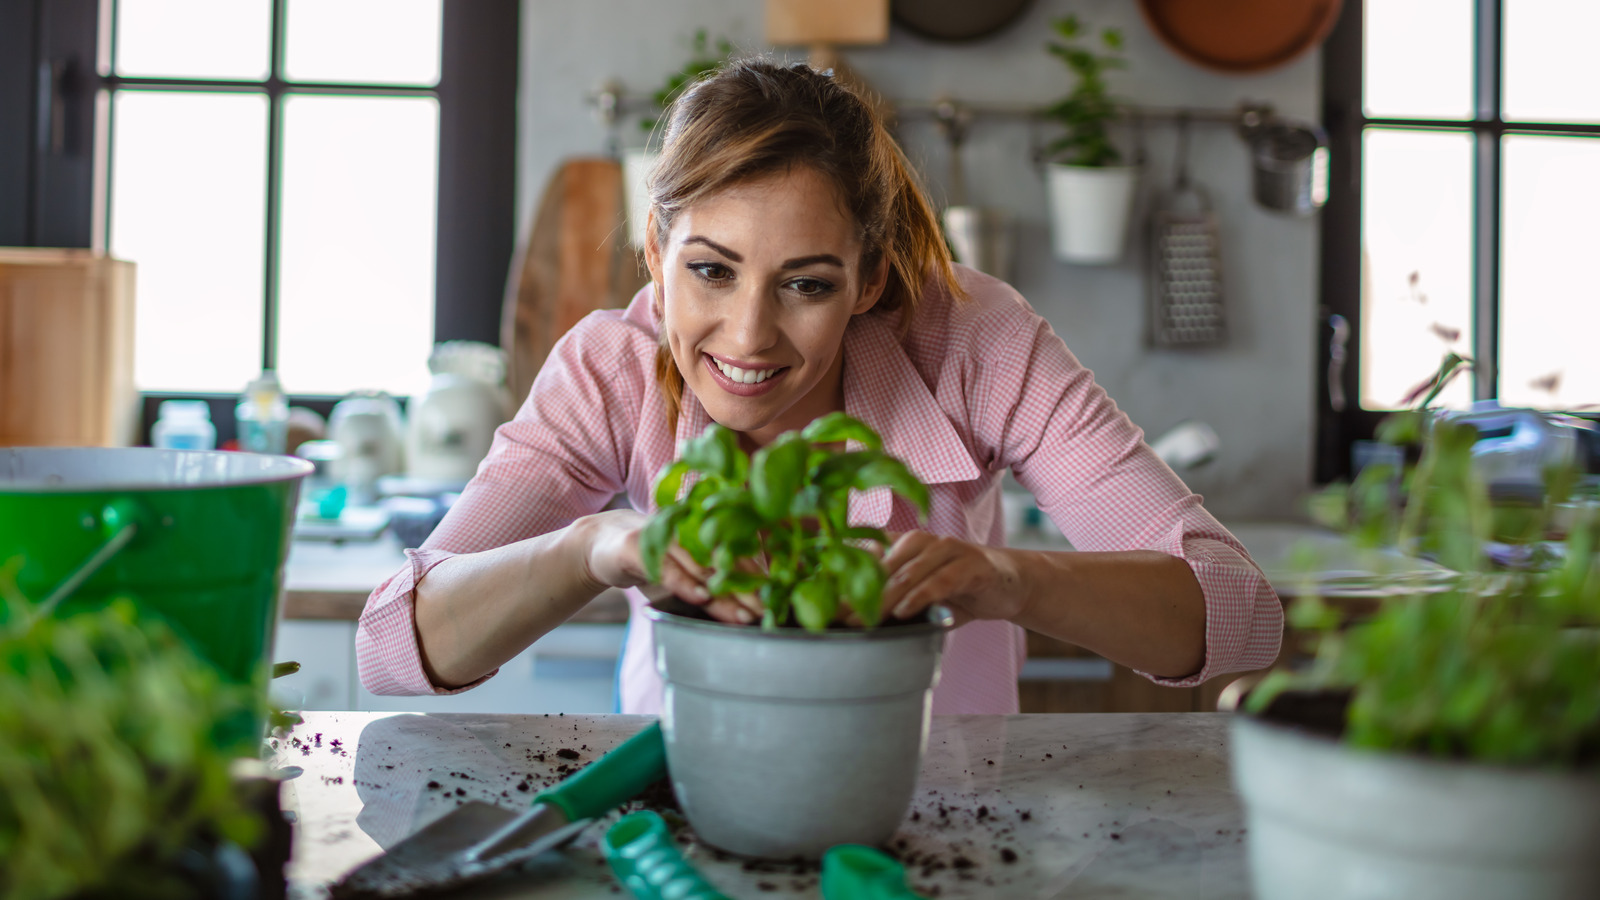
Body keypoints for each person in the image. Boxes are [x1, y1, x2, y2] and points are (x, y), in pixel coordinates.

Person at [357, 60, 1282, 714]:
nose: (748, 335)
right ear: (656, 254)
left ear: (869, 279)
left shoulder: (974, 338)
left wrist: (1008, 580)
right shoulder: (611, 367)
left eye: (806, 285)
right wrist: (589, 548)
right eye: (711, 271)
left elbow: (1239, 617)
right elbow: (393, 647)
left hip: (949, 816)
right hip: (683, 796)